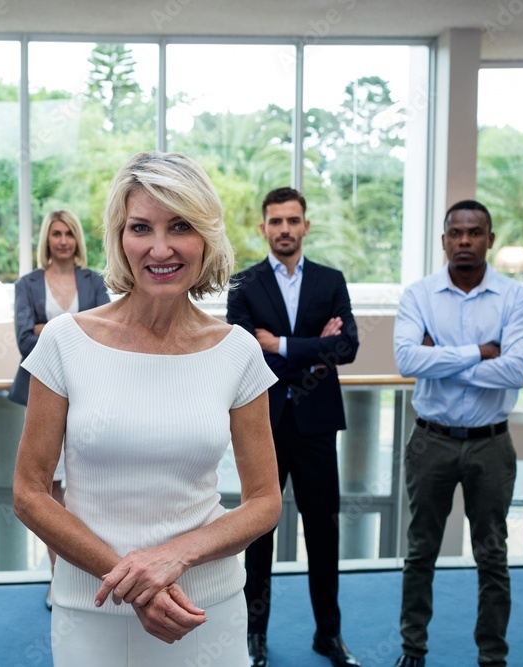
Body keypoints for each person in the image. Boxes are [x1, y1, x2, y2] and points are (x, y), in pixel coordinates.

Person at [13, 151, 282, 666]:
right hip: (91, 607)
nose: (160, 248)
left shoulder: (238, 350)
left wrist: (173, 558)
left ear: (206, 236)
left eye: (180, 225)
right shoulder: (65, 342)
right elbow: (29, 492)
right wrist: (134, 579)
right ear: (119, 238)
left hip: (202, 608)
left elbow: (265, 500)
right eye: (141, 227)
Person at [391, 200, 523, 667]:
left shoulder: (516, 298)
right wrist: (480, 352)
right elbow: (408, 361)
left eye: (475, 233)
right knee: (420, 552)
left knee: (492, 555)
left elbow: (514, 372)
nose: (465, 241)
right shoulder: (420, 295)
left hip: (491, 444)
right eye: (456, 233)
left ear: (490, 239)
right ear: (444, 241)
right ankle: (413, 649)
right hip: (431, 440)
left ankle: (492, 656)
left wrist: (445, 358)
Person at [226, 187, 361, 667]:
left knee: (324, 537)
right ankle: (254, 637)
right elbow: (242, 350)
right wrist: (312, 346)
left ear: (306, 226)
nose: (284, 229)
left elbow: (347, 348)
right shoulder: (243, 285)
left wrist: (279, 343)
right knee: (258, 537)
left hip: (317, 429)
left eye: (293, 220)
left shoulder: (331, 280)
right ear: (263, 228)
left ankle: (329, 635)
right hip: (262, 425)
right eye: (276, 221)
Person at [9, 209, 111, 609]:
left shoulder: (95, 281)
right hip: (41, 396)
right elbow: (23, 341)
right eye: (56, 233)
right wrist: (76, 329)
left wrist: (48, 330)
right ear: (46, 239)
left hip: (89, 395)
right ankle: (58, 576)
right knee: (45, 492)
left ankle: (84, 569)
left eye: (70, 232)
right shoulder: (27, 283)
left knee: (81, 487)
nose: (63, 240)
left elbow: (106, 335)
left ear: (77, 239)